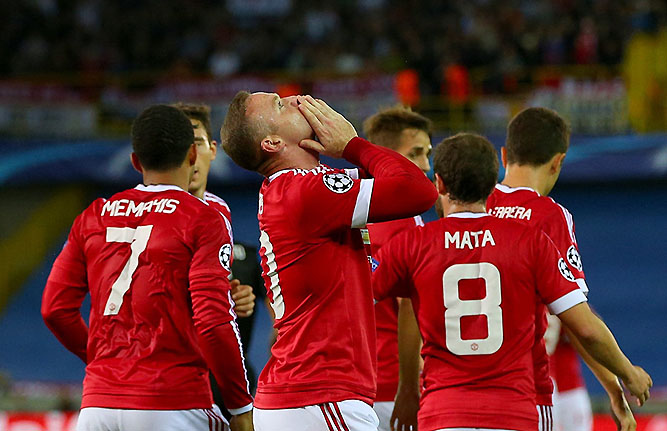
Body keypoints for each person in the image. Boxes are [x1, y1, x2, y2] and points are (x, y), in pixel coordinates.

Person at [371, 133, 652, 431]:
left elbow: (354, 298)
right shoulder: (531, 243)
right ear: (492, 184)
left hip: (444, 413)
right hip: (514, 411)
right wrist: (628, 372)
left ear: (439, 183)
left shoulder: (412, 244)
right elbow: (585, 327)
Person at [220, 92, 438, 431]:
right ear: (272, 143)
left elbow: (396, 180)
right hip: (320, 395)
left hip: (307, 396)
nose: (295, 100)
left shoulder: (298, 186)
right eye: (279, 104)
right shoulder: (304, 191)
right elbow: (419, 192)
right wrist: (352, 145)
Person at [41, 105, 253, 431]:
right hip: (171, 400)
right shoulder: (203, 218)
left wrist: (102, 361)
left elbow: (54, 309)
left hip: (98, 406)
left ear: (135, 161)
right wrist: (240, 405)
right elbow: (213, 321)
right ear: (192, 155)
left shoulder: (93, 216)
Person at [486, 107, 638, 431]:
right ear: (558, 162)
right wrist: (623, 378)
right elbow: (578, 321)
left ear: (504, 155)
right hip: (523, 391)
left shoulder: (472, 205)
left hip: (456, 395)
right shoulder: (549, 218)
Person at [362, 106, 432, 431]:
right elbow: (411, 308)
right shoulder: (405, 220)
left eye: (427, 153)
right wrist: (410, 388)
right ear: (384, 159)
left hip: (348, 387)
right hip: (393, 389)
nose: (426, 165)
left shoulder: (344, 210)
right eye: (415, 153)